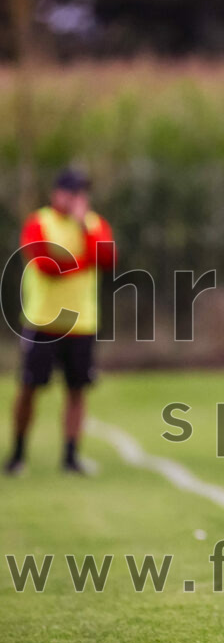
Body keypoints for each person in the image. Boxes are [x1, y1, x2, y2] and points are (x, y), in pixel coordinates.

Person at [5, 169, 117, 475]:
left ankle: (70, 457)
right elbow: (46, 266)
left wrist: (84, 228)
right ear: (57, 194)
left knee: (77, 390)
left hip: (82, 323)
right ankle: (17, 454)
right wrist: (85, 261)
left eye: (82, 193)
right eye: (72, 193)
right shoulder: (39, 222)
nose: (78, 199)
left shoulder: (94, 224)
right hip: (44, 321)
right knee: (29, 388)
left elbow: (107, 259)